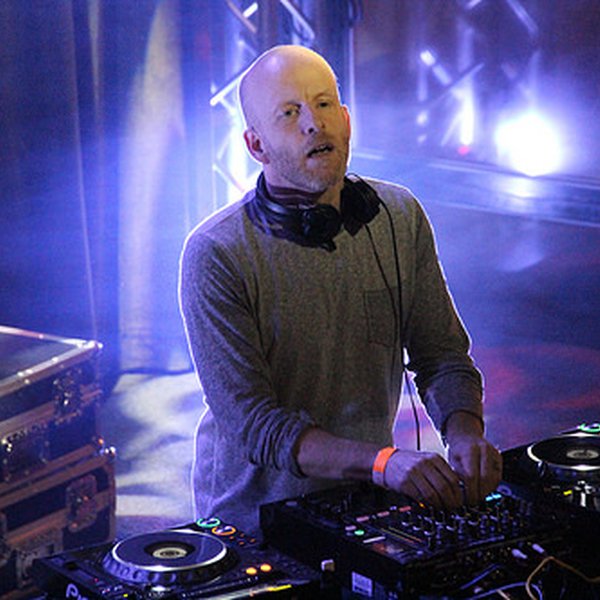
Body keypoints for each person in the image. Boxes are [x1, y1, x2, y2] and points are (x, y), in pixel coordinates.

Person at [179, 44, 502, 538]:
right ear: (256, 146)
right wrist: (383, 462)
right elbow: (255, 424)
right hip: (256, 524)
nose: (314, 124)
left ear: (346, 120)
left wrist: (464, 433)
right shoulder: (217, 253)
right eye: (290, 114)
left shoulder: (397, 216)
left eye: (324, 104)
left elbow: (441, 355)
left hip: (368, 500)